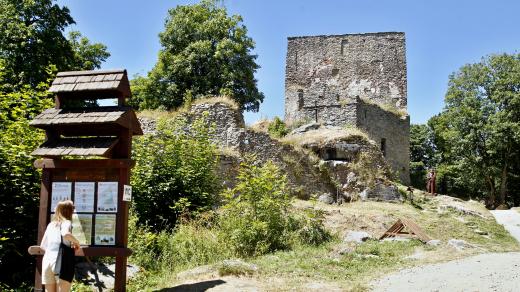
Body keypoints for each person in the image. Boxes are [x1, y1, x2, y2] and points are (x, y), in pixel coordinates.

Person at [40, 200, 81, 292]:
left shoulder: (51, 224)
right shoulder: (66, 222)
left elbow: (43, 246)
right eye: (73, 209)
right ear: (69, 211)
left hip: (47, 261)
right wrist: (77, 242)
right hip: (61, 262)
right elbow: (65, 234)